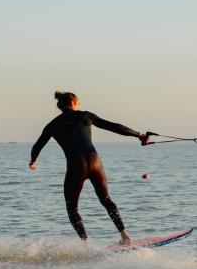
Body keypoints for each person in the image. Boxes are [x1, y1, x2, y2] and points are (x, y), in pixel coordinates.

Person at [29, 91, 150, 244]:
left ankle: (86, 245)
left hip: (76, 166)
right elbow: (114, 127)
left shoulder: (52, 125)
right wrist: (138, 135)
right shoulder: (86, 116)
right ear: (74, 103)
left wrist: (33, 161)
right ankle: (125, 236)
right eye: (79, 103)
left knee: (72, 208)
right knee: (106, 200)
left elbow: (37, 146)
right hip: (94, 162)